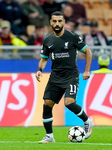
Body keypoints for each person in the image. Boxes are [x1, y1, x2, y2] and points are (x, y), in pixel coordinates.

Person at [36, 11, 93, 143]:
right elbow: (44, 59)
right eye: (54, 21)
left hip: (71, 75)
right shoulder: (47, 39)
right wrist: (39, 70)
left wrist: (86, 71)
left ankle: (87, 120)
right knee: (47, 104)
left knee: (69, 102)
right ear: (50, 22)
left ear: (64, 23)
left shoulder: (72, 37)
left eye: (59, 21)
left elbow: (88, 52)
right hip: (55, 76)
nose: (57, 24)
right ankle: (49, 136)